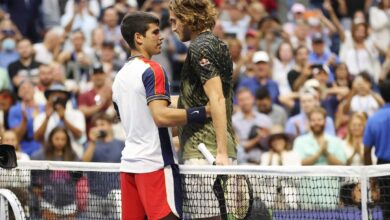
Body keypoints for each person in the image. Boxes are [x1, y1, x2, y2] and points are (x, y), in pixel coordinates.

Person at [113, 11, 210, 220]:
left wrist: (185, 123)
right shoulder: (154, 69)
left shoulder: (119, 77)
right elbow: (160, 117)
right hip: (154, 166)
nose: (161, 36)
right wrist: (203, 113)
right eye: (155, 32)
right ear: (139, 38)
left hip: (129, 167)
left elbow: (142, 123)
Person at [169, 0, 236, 166]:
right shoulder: (219, 44)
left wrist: (221, 152)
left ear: (187, 17)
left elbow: (218, 98)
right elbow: (201, 97)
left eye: (174, 21)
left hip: (205, 152)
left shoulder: (200, 47)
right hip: (212, 149)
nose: (173, 28)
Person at [364, 80, 390, 218]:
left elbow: (367, 151)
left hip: (383, 167)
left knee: (386, 208)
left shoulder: (374, 119)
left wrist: (371, 174)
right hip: (383, 166)